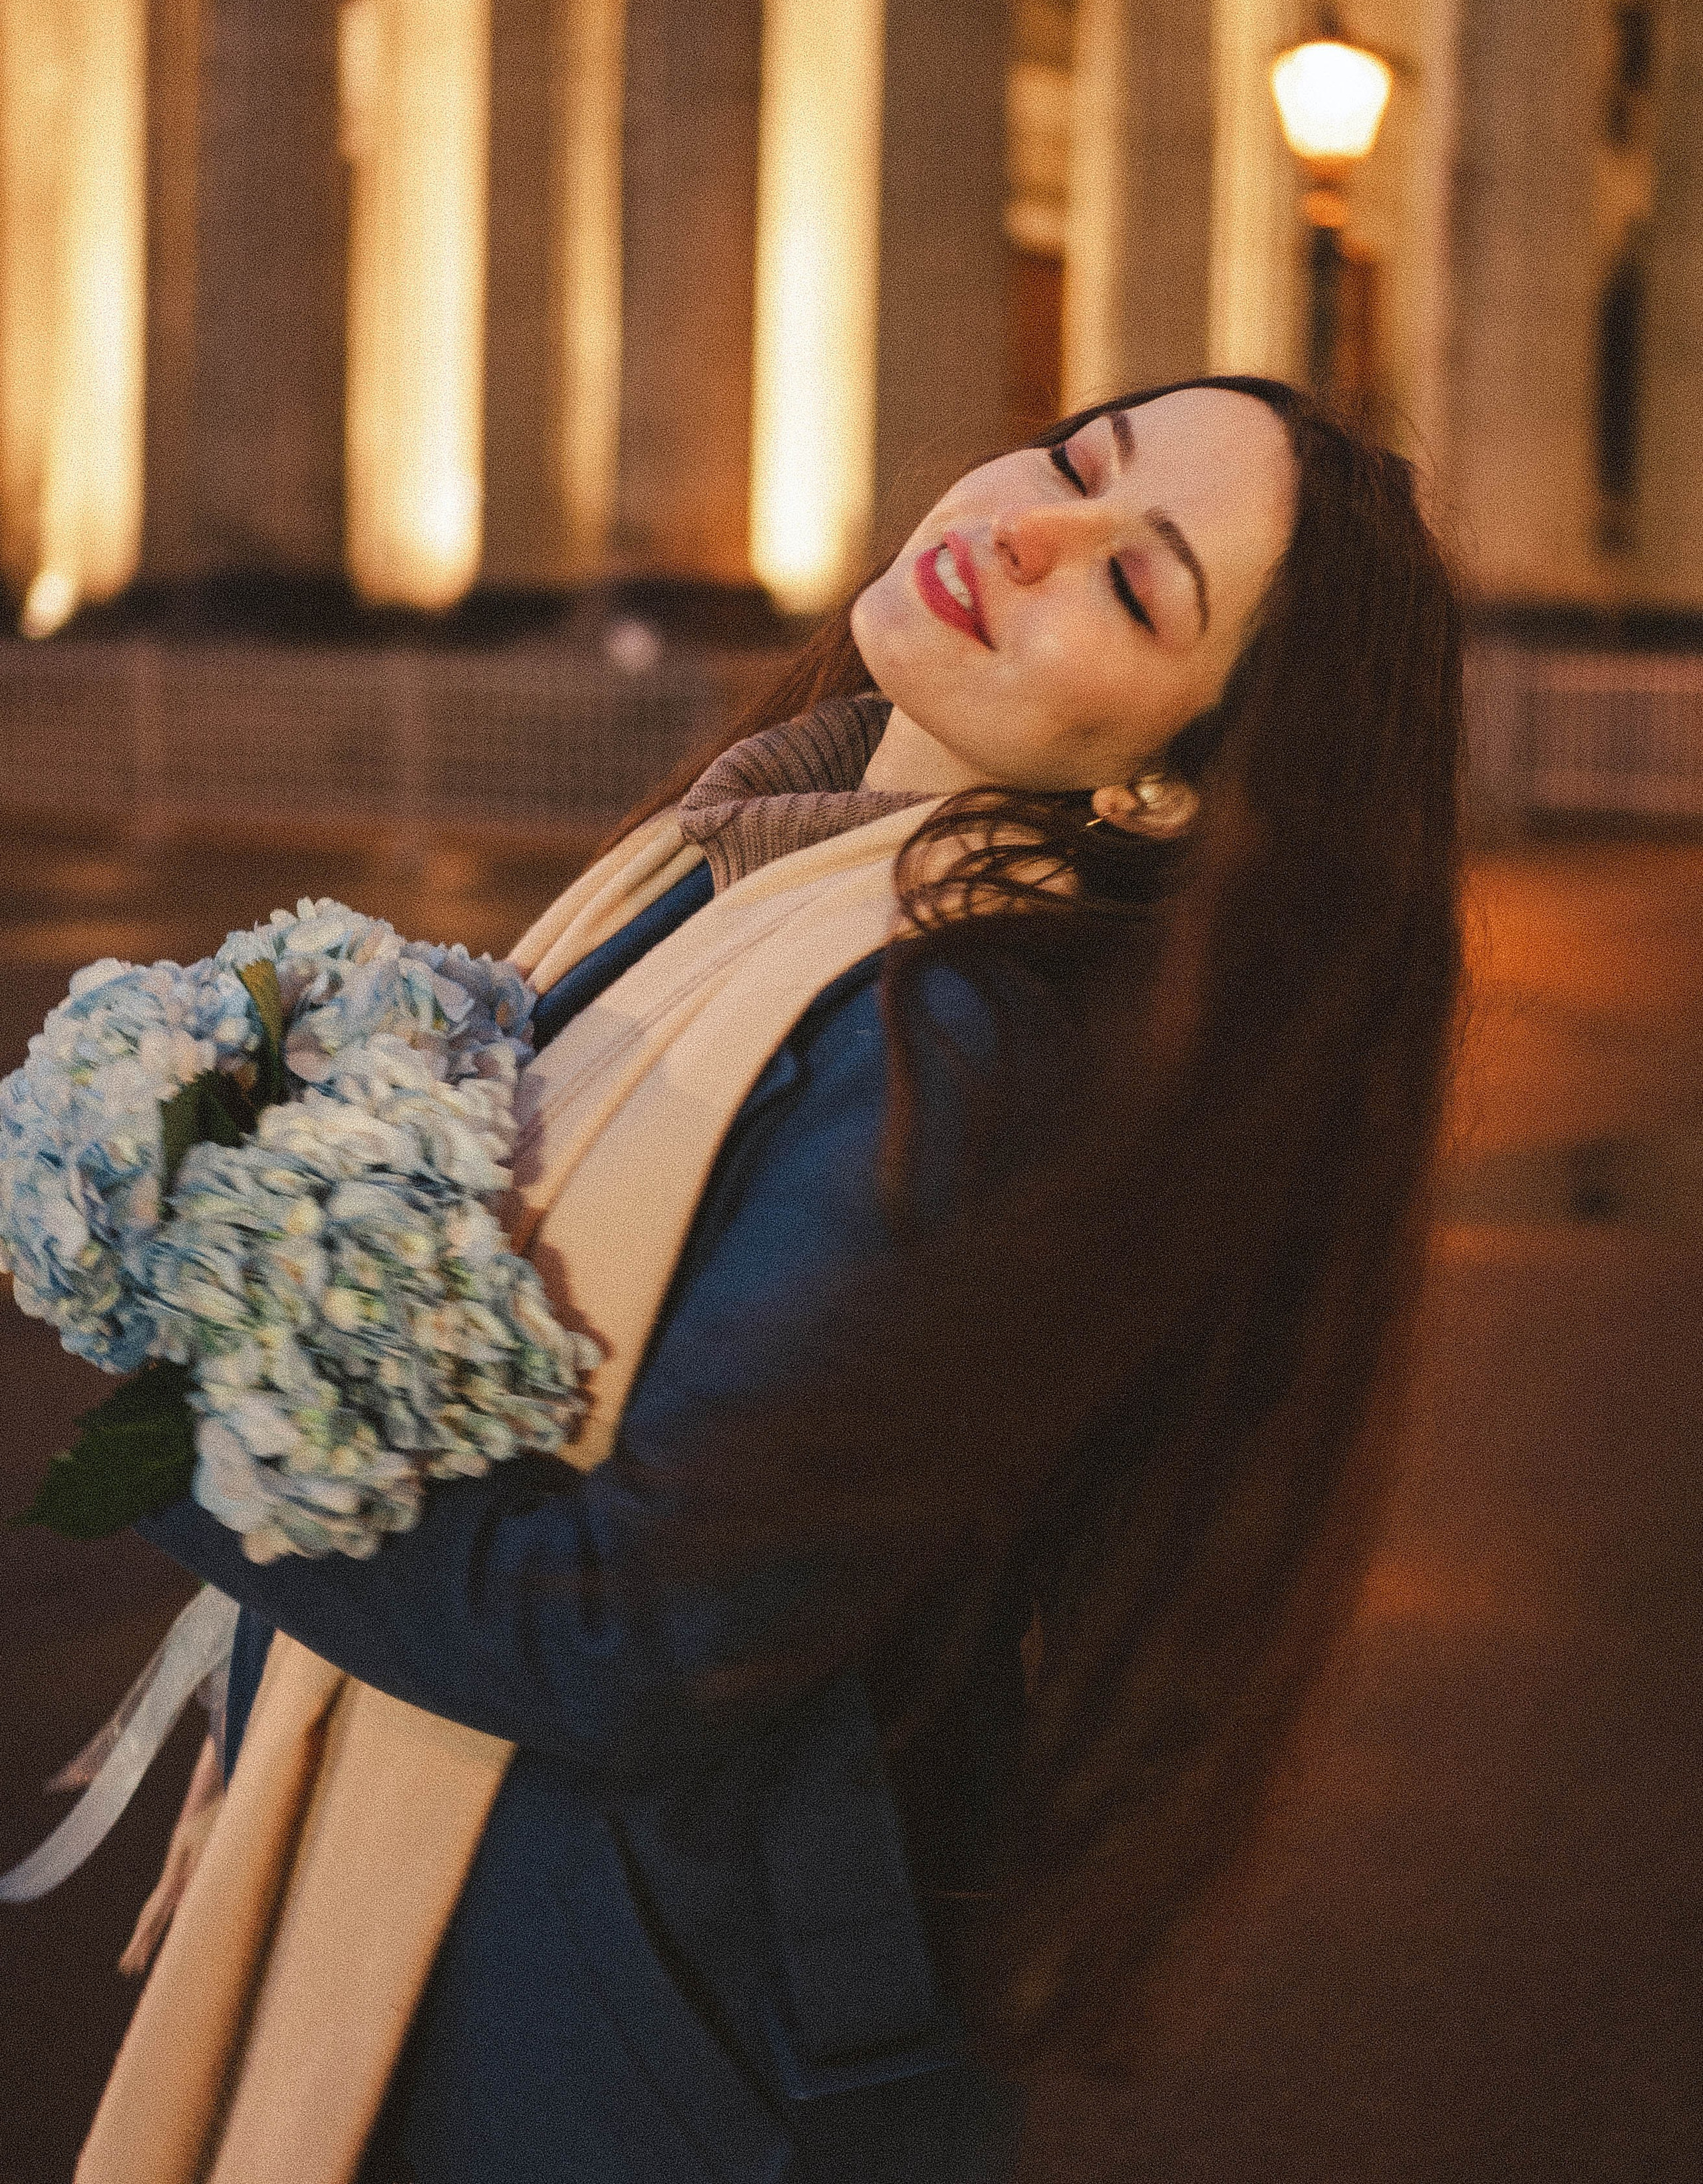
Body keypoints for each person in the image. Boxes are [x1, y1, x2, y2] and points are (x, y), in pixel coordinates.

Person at [115, 376, 1464, 2184]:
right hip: (560, 1937)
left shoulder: (976, 1051)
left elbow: (636, 1633)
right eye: (1078, 463)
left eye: (1138, 590)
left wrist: (186, 1368)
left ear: (1169, 774)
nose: (1034, 532)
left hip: (623, 2023)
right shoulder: (726, 865)